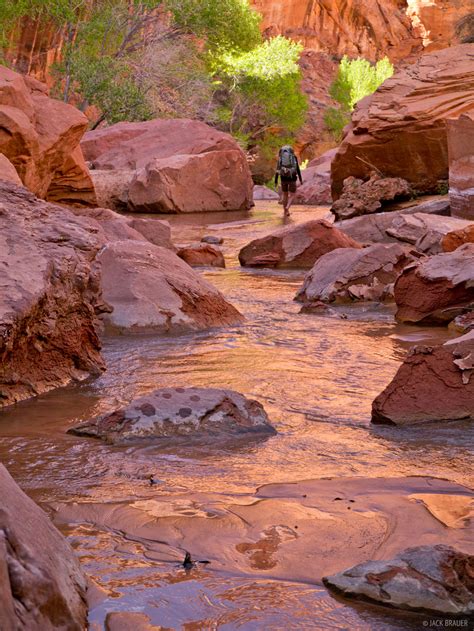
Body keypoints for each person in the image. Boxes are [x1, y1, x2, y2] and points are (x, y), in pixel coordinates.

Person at [275, 145, 303, 216]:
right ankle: (287, 207)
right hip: (292, 178)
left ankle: (285, 211)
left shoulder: (280, 159)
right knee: (292, 194)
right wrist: (300, 179)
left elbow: (277, 170)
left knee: (285, 194)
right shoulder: (294, 157)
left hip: (283, 178)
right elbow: (297, 169)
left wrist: (275, 181)